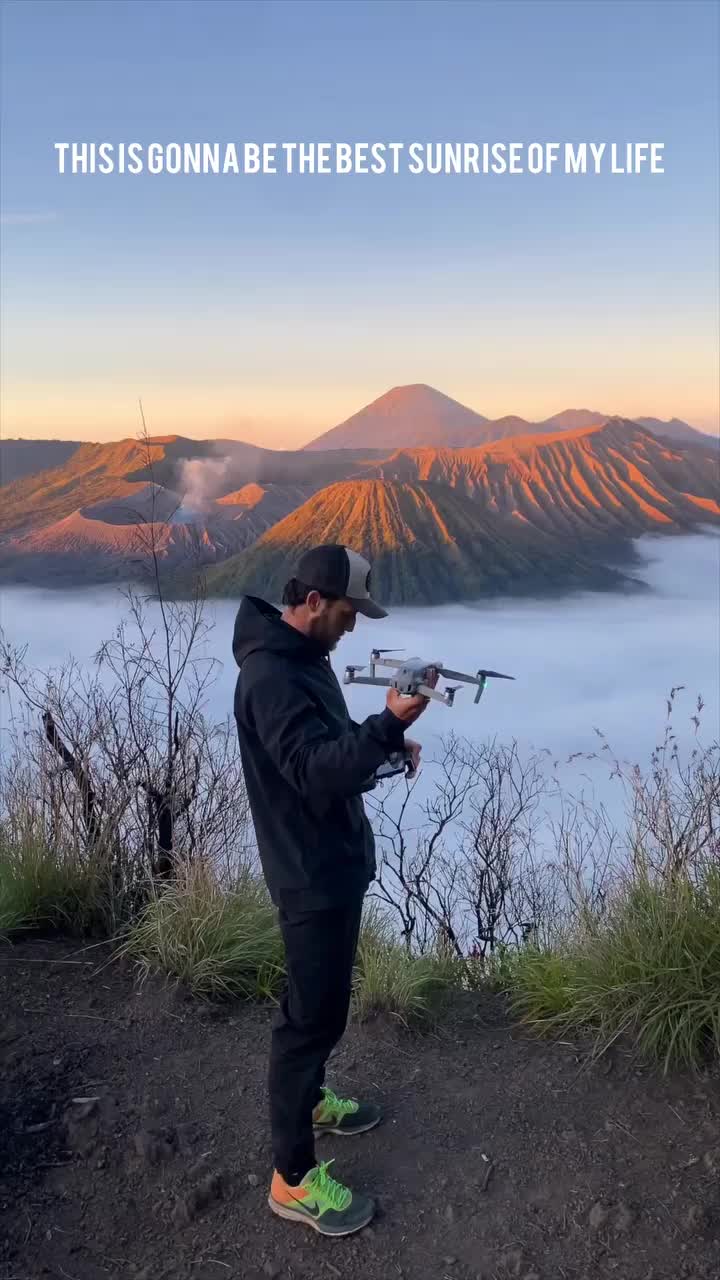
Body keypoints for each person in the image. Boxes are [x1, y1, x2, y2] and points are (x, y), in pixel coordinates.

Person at [232, 544, 433, 1237]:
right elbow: (314, 773)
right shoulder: (269, 678)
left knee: (326, 1005)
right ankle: (291, 1180)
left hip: (331, 861)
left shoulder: (303, 660)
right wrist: (389, 724)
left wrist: (380, 745)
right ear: (314, 601)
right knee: (307, 1022)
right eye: (349, 614)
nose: (353, 628)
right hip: (308, 872)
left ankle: (312, 1099)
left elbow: (327, 745)